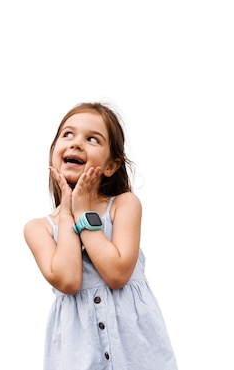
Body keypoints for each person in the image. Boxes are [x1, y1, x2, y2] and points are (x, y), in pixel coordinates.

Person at [24, 102, 177, 370]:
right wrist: (67, 213)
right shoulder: (39, 228)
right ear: (52, 154)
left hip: (138, 355)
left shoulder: (124, 205)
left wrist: (83, 212)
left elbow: (116, 274)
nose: (76, 144)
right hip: (77, 357)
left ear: (111, 165)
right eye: (67, 135)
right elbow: (69, 280)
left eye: (92, 139)